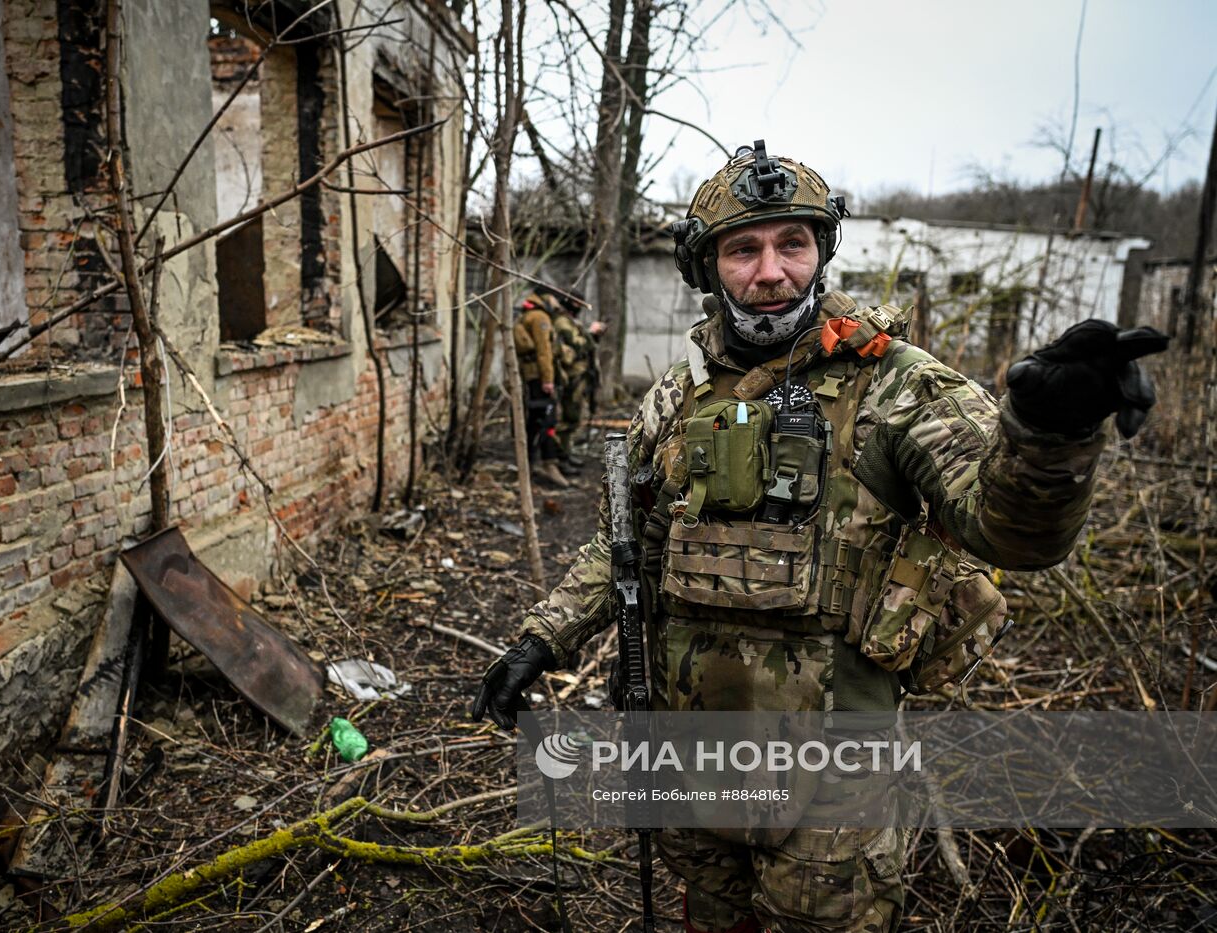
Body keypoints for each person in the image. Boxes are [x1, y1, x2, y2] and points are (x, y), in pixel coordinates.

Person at [473, 141, 1167, 932]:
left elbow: (1008, 528)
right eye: (743, 250)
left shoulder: (898, 384)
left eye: (791, 244)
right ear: (708, 268)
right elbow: (622, 544)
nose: (770, 273)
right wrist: (542, 637)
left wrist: (1049, 432)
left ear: (822, 251)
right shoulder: (678, 393)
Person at [513, 289, 569, 488]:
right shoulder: (539, 317)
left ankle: (529, 463)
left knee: (534, 421)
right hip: (539, 378)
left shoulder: (527, 314)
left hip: (530, 376)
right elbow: (544, 351)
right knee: (547, 420)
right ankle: (548, 464)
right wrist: (548, 380)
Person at [550, 287, 605, 471]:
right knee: (568, 418)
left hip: (578, 376)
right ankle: (559, 458)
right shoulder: (562, 323)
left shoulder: (570, 321)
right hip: (570, 377)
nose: (578, 307)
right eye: (576, 304)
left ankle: (565, 454)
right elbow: (578, 345)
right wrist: (591, 333)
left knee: (573, 418)